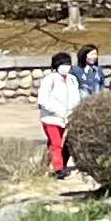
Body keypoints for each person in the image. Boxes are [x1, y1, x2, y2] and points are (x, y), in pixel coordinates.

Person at [34, 52, 80, 180]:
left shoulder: (72, 79)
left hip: (67, 118)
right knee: (56, 143)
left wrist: (73, 111)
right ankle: (59, 168)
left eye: (68, 64)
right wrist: (56, 111)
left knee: (57, 145)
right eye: (63, 64)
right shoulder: (50, 79)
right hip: (51, 118)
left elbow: (75, 97)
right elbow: (43, 100)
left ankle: (44, 166)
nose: (66, 66)